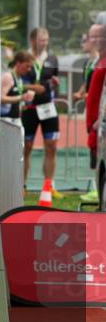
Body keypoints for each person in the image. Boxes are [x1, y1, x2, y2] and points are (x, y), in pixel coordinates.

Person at [20, 27, 61, 197]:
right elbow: (16, 81)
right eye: (41, 39)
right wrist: (31, 87)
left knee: (51, 147)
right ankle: (22, 185)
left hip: (48, 109)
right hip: (29, 109)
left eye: (46, 39)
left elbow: (53, 82)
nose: (44, 42)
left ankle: (48, 186)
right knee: (26, 147)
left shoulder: (52, 58)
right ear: (32, 40)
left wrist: (55, 85)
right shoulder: (24, 57)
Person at [84, 24, 106, 208]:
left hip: (100, 123)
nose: (95, 40)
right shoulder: (99, 60)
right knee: (97, 163)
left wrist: (101, 118)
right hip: (94, 122)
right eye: (93, 36)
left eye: (99, 36)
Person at [0, 51, 36, 123]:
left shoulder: (19, 78)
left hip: (14, 120)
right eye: (27, 66)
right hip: (6, 120)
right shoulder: (8, 77)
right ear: (18, 63)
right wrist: (21, 97)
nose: (29, 69)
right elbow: (0, 98)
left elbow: (16, 100)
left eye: (30, 67)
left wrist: (25, 102)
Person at [74, 29, 100, 103]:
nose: (81, 44)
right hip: (89, 105)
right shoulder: (87, 63)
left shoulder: (101, 62)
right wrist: (79, 93)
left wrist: (88, 95)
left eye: (84, 41)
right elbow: (86, 83)